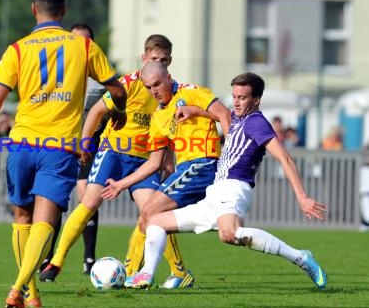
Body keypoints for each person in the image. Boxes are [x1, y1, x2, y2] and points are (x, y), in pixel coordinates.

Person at [0, 0, 127, 308]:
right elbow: (117, 89)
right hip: (60, 147)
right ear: (64, 11)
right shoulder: (83, 46)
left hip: (21, 143)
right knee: (45, 222)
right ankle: (18, 288)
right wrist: (118, 112)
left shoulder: (18, 49)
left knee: (21, 217)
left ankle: (31, 294)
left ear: (33, 9)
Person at [130, 72, 328, 289]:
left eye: (242, 98)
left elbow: (285, 158)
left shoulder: (256, 123)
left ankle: (300, 257)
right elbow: (218, 116)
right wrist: (193, 110)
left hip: (235, 187)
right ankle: (146, 275)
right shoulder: (237, 118)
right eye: (234, 96)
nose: (236, 101)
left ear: (256, 100)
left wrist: (302, 197)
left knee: (229, 234)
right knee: (155, 222)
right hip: (215, 192)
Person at [39, 35, 189, 284]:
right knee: (89, 203)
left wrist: (168, 160)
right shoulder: (128, 83)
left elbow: (169, 129)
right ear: (144, 58)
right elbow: (97, 111)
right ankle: (57, 261)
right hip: (113, 153)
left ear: (170, 61)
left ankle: (180, 272)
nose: (159, 63)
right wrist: (85, 143)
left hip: (144, 159)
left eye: (164, 60)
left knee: (154, 213)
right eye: (154, 58)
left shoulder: (172, 90)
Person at [101, 61, 231, 288]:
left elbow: (226, 116)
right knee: (154, 217)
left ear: (169, 78)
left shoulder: (193, 92)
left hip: (203, 164)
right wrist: (121, 184)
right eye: (149, 87)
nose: (154, 91)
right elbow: (154, 163)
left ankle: (139, 274)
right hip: (186, 170)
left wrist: (230, 159)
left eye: (157, 84)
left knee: (150, 211)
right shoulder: (158, 117)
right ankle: (157, 274)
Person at [39, 22, 107, 275]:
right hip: (57, 144)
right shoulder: (58, 76)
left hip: (88, 148)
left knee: (85, 196)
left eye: (85, 40)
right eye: (75, 39)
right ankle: (47, 257)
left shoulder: (100, 80)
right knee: (54, 201)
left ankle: (88, 258)